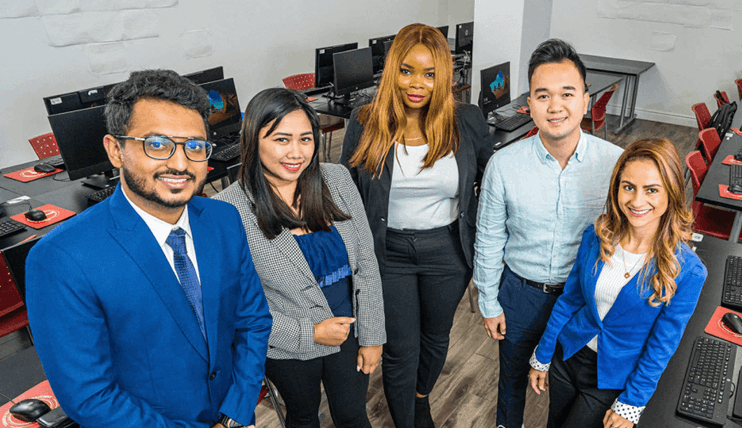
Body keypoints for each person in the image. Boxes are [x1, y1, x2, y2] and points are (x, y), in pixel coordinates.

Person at [25, 69, 272, 428]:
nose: (180, 163)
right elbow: (90, 395)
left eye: (195, 146)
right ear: (115, 150)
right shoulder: (61, 259)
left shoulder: (223, 219)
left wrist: (235, 411)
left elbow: (253, 320)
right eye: (157, 144)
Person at [340, 23, 496, 428]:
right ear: (393, 70)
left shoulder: (467, 121)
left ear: (443, 77)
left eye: (430, 74)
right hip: (387, 251)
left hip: (447, 249)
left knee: (435, 339)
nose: (417, 84)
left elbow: (493, 183)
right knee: (400, 349)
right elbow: (346, 190)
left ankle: (421, 394)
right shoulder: (365, 121)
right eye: (408, 70)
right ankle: (407, 419)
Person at [473, 38, 624, 428]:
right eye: (543, 95)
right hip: (520, 295)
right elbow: (489, 237)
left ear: (586, 100)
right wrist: (488, 300)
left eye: (567, 94)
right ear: (529, 103)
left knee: (572, 387)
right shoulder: (504, 165)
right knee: (511, 381)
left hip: (583, 299)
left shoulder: (614, 164)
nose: (555, 106)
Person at [214, 88, 385, 428]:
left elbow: (366, 261)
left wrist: (372, 335)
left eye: (305, 139)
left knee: (352, 414)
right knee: (303, 416)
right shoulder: (229, 209)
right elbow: (238, 308)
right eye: (281, 139)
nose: (296, 152)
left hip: (348, 330)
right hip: (286, 344)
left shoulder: (336, 178)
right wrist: (311, 333)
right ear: (254, 141)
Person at [528, 138, 707, 428]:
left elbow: (662, 344)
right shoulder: (596, 235)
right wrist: (543, 354)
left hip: (614, 378)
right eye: (628, 187)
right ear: (617, 188)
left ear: (671, 194)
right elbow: (569, 301)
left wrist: (633, 401)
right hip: (569, 357)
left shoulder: (688, 270)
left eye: (651, 190)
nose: (637, 201)